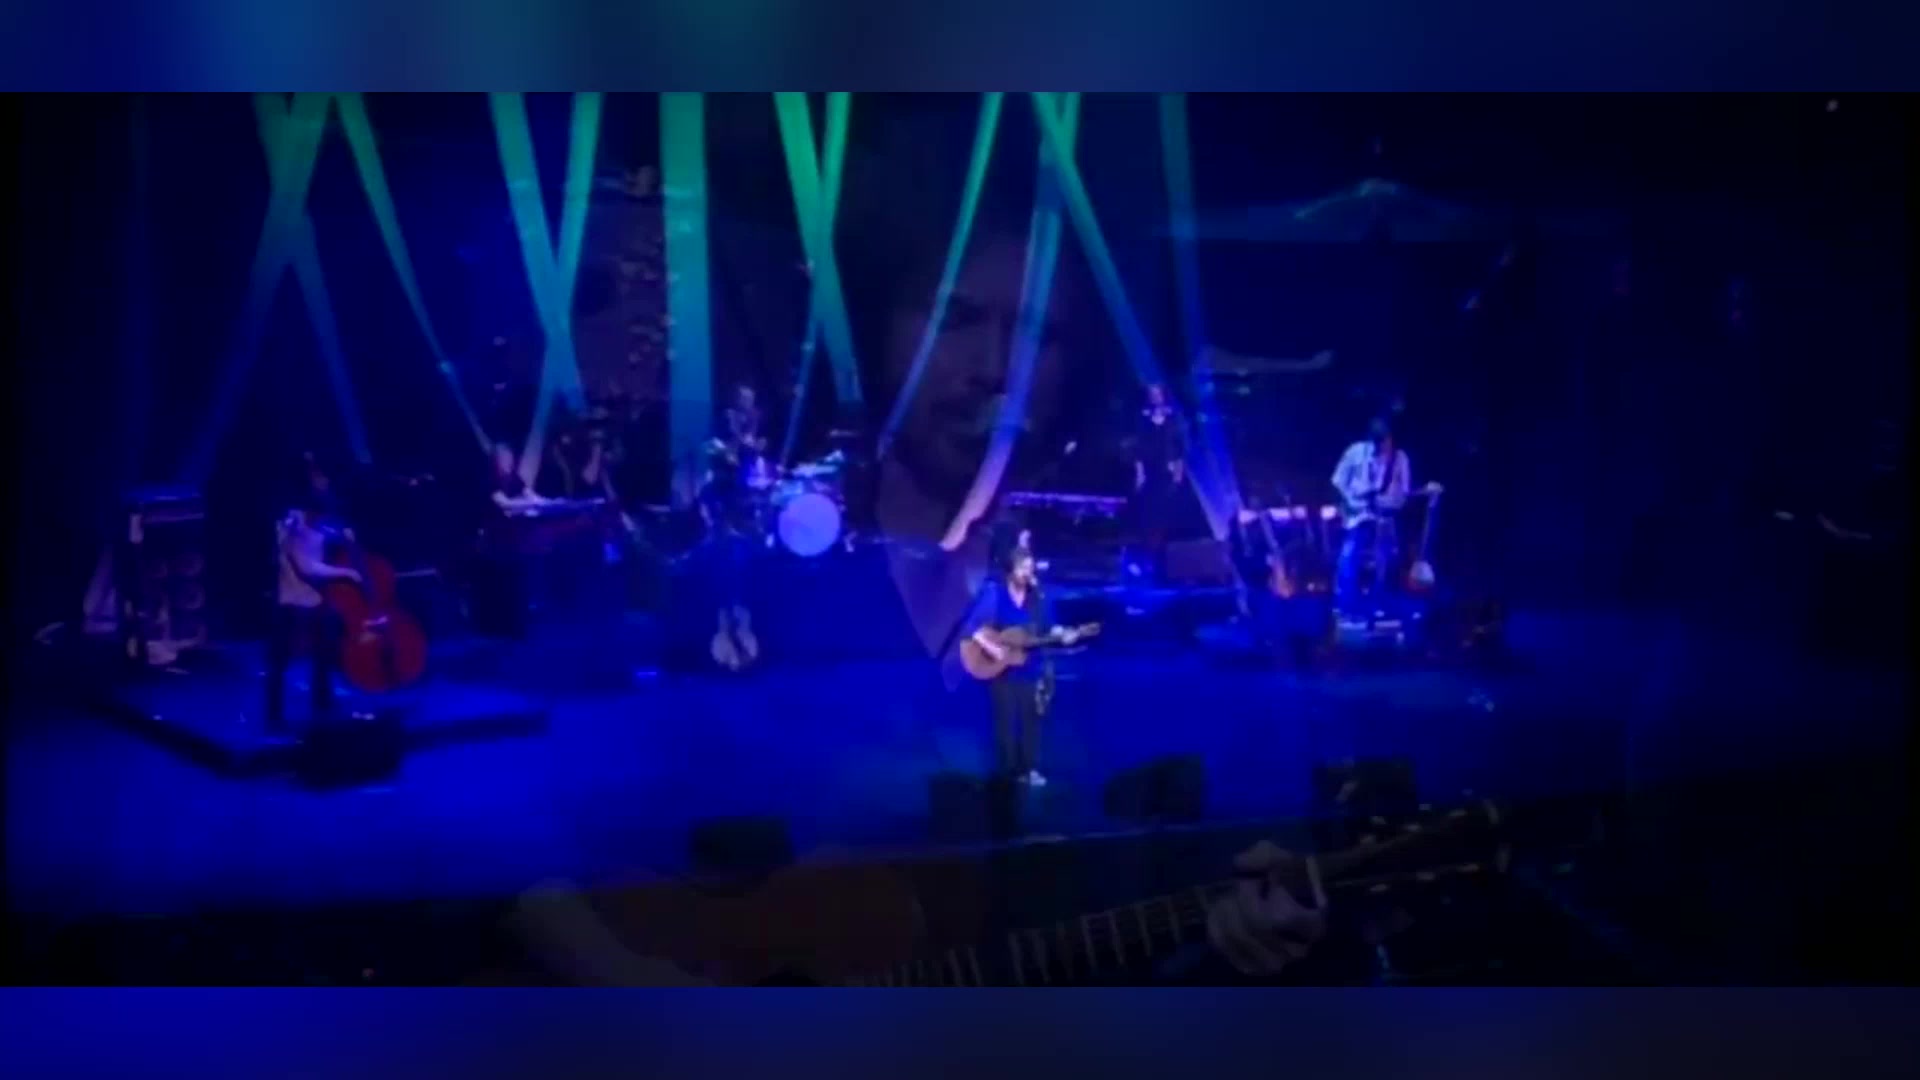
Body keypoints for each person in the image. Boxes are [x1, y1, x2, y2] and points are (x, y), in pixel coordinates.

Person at [961, 542, 1081, 786]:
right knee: (1004, 724)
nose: (1028, 573)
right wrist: (993, 648)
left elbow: (1050, 628)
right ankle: (1007, 775)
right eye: (1023, 568)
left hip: (1030, 667)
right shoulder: (995, 595)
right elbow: (972, 627)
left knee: (1031, 721)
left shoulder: (1038, 598)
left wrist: (1064, 634)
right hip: (1000, 670)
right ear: (1010, 571)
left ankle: (1029, 769)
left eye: (1031, 568)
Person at [265, 460, 362, 734]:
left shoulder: (320, 523)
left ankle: (323, 703)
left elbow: (331, 539)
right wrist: (346, 572)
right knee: (281, 657)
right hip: (292, 599)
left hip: (317, 598)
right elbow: (305, 566)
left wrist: (346, 538)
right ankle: (274, 715)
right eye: (320, 481)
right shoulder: (293, 524)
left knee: (324, 650)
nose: (324, 485)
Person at [1330, 417, 1412, 609]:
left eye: (1384, 441)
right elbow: (1337, 482)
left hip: (1385, 516)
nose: (1380, 447)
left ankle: (1379, 598)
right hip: (1358, 514)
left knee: (1385, 556)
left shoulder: (1399, 459)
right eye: (1376, 442)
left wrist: (1390, 504)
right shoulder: (1355, 452)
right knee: (1349, 554)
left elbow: (1404, 493)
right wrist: (1349, 504)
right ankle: (1345, 599)